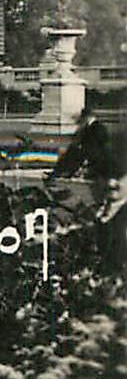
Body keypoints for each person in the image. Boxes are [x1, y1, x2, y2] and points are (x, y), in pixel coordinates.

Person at [49, 105, 127, 269]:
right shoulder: (93, 130)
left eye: (80, 121)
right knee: (108, 216)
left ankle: (109, 256)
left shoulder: (94, 131)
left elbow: (83, 153)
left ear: (86, 118)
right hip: (109, 174)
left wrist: (64, 171)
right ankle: (108, 254)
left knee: (107, 216)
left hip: (110, 174)